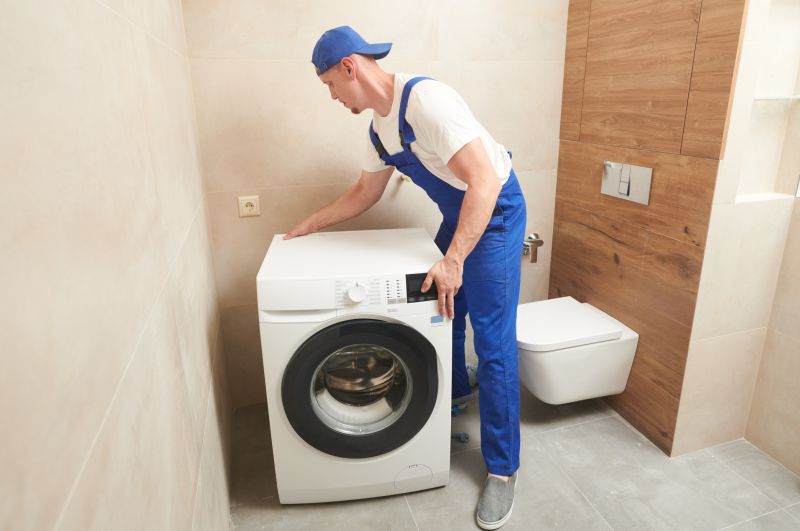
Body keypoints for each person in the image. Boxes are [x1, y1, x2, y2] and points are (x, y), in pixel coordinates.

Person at [285, 26, 526, 530]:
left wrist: (455, 258)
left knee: (494, 340)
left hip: (495, 211)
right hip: (464, 209)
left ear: (349, 67)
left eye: (329, 83)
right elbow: (363, 194)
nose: (331, 95)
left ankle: (503, 472)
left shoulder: (428, 102)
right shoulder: (378, 129)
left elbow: (482, 181)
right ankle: (459, 389)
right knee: (440, 300)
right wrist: (309, 225)